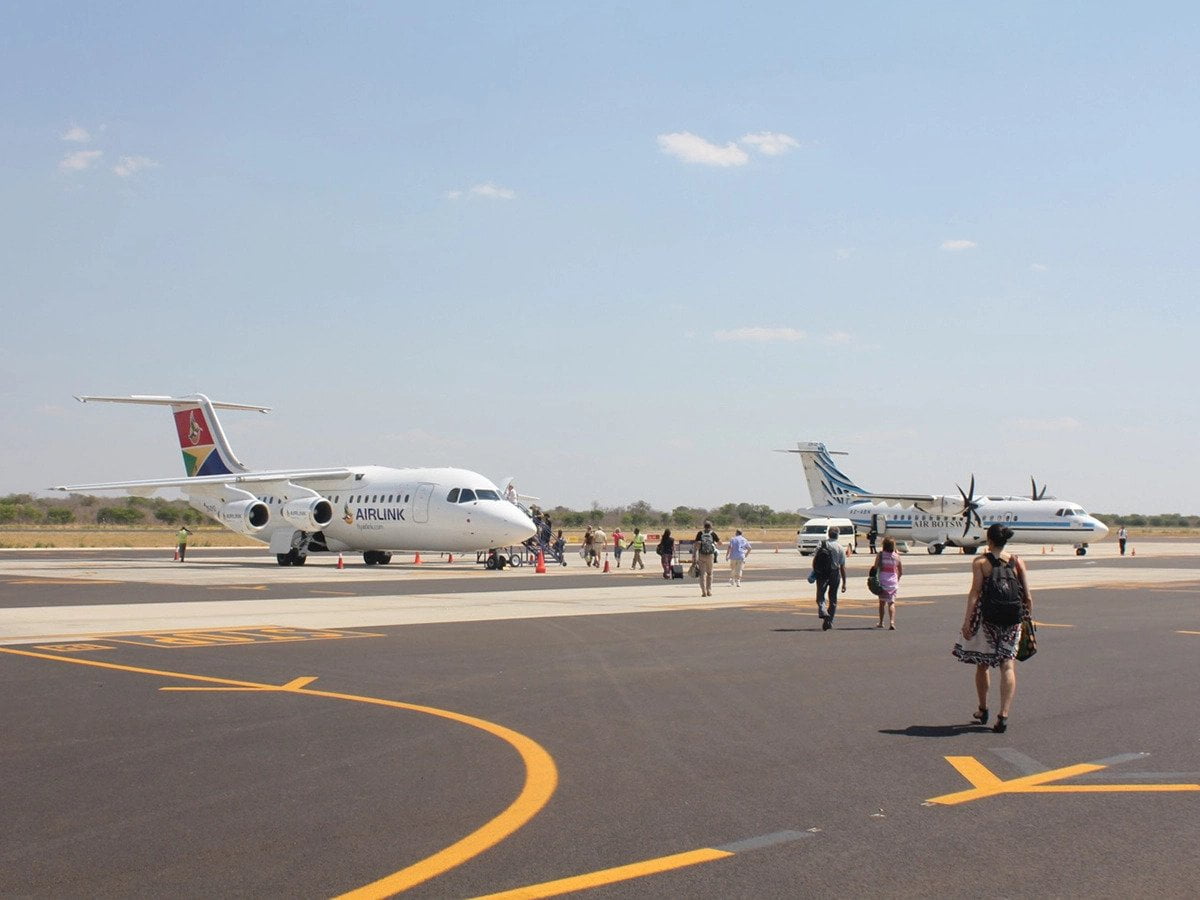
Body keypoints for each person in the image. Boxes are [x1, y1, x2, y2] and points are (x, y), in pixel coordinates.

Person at [952, 524, 1033, 734]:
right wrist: (1026, 621)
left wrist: (967, 620)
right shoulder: (1017, 561)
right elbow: (1028, 596)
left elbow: (975, 593)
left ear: (989, 540)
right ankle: (1003, 715)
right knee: (1008, 665)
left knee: (983, 665)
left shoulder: (980, 562)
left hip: (987, 620)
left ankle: (983, 708)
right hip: (1012, 621)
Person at [813, 526, 847, 630]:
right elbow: (842, 566)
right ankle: (829, 620)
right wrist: (844, 582)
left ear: (828, 533)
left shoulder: (821, 544)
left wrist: (815, 571)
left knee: (820, 595)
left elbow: (815, 558)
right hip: (834, 573)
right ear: (837, 535)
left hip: (822, 573)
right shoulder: (840, 547)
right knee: (833, 598)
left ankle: (823, 610)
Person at [874, 536, 902, 629]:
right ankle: (892, 622)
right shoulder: (897, 556)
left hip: (883, 581)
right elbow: (900, 571)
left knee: (882, 603)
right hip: (893, 582)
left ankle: (881, 622)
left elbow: (875, 566)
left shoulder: (881, 555)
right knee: (891, 603)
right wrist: (897, 579)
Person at [692, 520, 722, 597]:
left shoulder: (700, 533)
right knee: (710, 573)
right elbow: (720, 543)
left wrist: (694, 555)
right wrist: (714, 543)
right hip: (710, 555)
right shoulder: (712, 533)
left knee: (702, 574)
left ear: (704, 526)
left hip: (701, 555)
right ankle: (709, 590)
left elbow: (696, 545)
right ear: (710, 526)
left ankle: (703, 591)